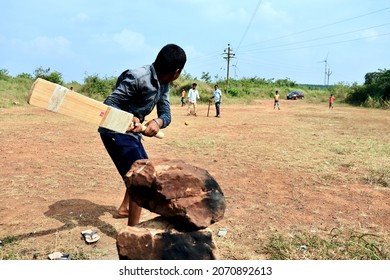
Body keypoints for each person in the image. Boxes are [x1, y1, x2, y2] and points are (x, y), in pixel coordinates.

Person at [98, 44, 187, 226]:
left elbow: (165, 113)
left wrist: (158, 122)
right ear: (177, 71)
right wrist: (132, 119)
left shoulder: (163, 83)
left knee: (140, 168)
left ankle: (125, 208)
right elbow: (109, 104)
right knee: (140, 179)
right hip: (115, 131)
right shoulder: (138, 77)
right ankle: (133, 231)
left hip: (132, 134)